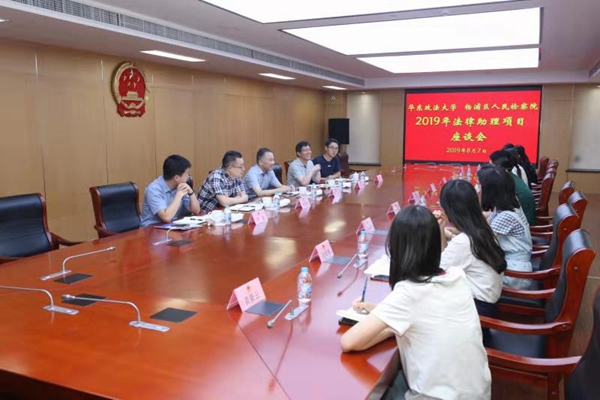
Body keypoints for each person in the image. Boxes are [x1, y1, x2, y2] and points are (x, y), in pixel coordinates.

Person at [341, 206, 491, 399]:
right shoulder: (457, 276)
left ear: (397, 249)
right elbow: (423, 317)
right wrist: (385, 318)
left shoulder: (409, 293)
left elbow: (349, 342)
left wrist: (387, 325)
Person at [437, 180, 507, 318]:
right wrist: (440, 228)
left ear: (450, 210)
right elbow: (447, 260)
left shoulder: (464, 242)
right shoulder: (481, 230)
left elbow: (438, 271)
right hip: (485, 305)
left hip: (475, 311)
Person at [478, 164, 533, 290]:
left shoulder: (506, 216)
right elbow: (484, 227)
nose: (479, 189)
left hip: (514, 275)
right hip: (512, 266)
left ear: (490, 191)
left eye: (480, 186)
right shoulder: (510, 203)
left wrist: (451, 234)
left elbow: (481, 244)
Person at [141, 154, 200, 227]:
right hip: (151, 229)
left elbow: (196, 211)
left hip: (172, 226)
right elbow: (166, 217)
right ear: (176, 178)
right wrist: (178, 196)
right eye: (186, 173)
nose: (188, 176)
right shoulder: (154, 189)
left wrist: (191, 192)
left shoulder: (180, 185)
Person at [490, 150, 537, 226]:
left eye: (491, 164)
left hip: (525, 222)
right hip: (523, 218)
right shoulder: (510, 176)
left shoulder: (505, 181)